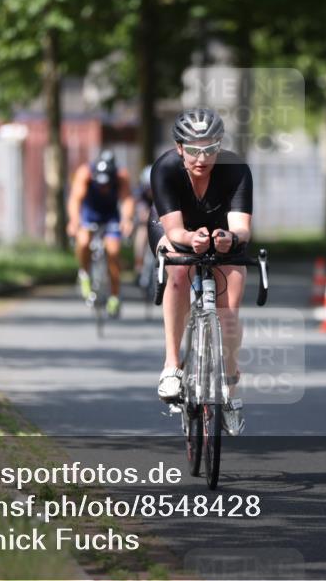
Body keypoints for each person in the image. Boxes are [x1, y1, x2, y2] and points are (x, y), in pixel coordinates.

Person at [148, 108, 253, 436]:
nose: (202, 157)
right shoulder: (165, 168)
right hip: (176, 227)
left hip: (221, 231)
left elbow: (242, 229)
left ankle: (231, 386)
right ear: (179, 148)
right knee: (178, 271)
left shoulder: (235, 169)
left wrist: (229, 239)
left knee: (231, 297)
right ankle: (171, 366)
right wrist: (189, 239)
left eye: (210, 148)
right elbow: (175, 231)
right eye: (193, 149)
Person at [67, 150, 135, 317]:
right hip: (89, 214)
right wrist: (74, 221)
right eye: (100, 183)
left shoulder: (121, 176)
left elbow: (127, 199)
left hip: (110, 216)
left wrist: (127, 220)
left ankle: (114, 296)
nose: (104, 187)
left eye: (107, 184)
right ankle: (84, 274)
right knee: (83, 242)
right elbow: (75, 199)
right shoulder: (85, 173)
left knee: (114, 252)